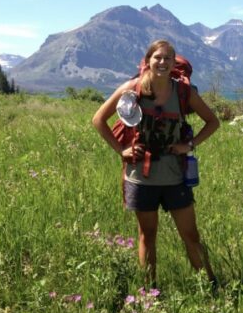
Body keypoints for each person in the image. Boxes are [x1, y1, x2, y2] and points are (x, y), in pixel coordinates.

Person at [92, 40, 220, 287]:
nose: (162, 63)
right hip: (140, 177)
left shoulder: (183, 93)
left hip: (175, 176)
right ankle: (149, 294)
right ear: (147, 61)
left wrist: (189, 145)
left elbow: (213, 122)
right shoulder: (132, 89)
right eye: (157, 58)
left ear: (174, 63)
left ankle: (209, 287)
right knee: (147, 236)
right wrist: (121, 150)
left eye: (168, 58)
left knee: (191, 235)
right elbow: (98, 119)